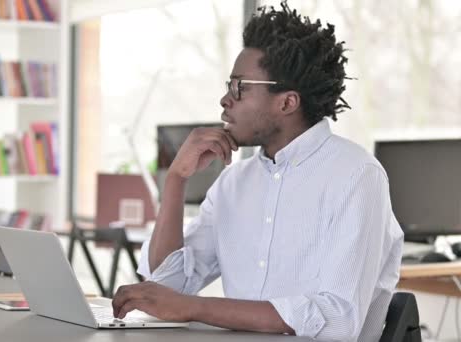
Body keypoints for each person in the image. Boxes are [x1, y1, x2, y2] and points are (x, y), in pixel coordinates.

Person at [111, 2, 403, 341]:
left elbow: (336, 321)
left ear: (287, 103)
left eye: (239, 87)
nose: (224, 99)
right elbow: (164, 288)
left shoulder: (356, 176)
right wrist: (175, 181)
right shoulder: (234, 182)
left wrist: (194, 308)